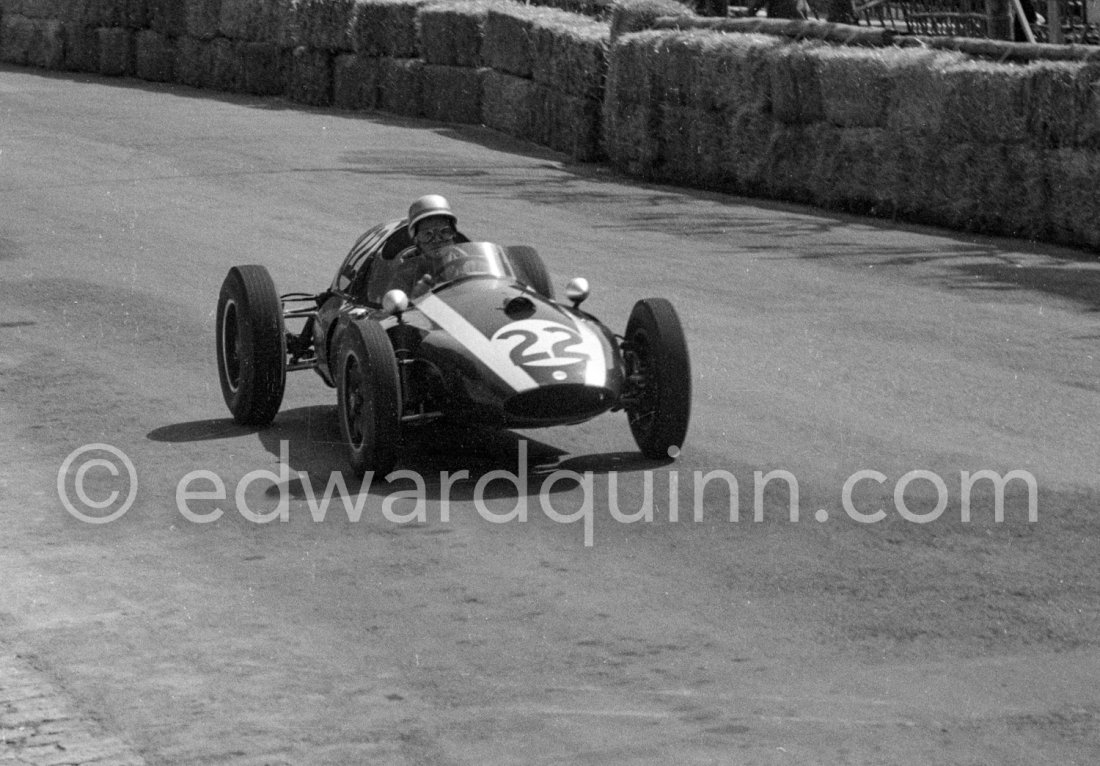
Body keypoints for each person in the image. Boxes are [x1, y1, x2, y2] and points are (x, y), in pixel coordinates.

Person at [395, 194, 459, 297]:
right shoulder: (405, 272)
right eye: (427, 234)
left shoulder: (471, 264)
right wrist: (415, 296)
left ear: (454, 233)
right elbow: (392, 307)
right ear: (416, 240)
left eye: (444, 232)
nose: (437, 240)